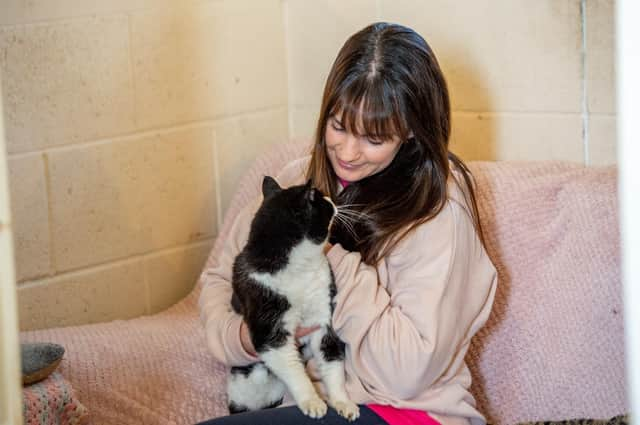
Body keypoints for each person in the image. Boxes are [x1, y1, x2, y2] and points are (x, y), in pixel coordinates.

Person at [197, 22, 497, 425]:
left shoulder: (440, 212)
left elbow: (407, 373)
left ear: (410, 132)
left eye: (373, 138)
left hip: (410, 413)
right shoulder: (297, 179)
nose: (349, 152)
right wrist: (248, 339)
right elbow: (220, 279)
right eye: (338, 126)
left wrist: (324, 256)